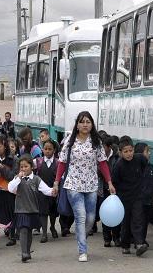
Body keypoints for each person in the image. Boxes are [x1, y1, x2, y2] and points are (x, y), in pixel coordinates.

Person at [53, 111, 115, 262]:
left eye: (88, 122)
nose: (85, 124)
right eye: (82, 122)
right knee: (80, 216)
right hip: (73, 183)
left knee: (91, 218)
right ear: (77, 125)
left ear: (92, 124)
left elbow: (102, 163)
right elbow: (61, 162)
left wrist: (109, 182)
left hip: (92, 184)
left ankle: (82, 237)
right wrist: (56, 182)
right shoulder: (69, 141)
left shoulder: (96, 142)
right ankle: (83, 250)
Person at [8, 154, 55, 263]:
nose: (23, 169)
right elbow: (10, 188)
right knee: (23, 230)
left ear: (32, 167)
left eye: (26, 166)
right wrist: (18, 178)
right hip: (21, 210)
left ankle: (27, 251)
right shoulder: (17, 179)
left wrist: (53, 191)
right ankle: (24, 252)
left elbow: (46, 190)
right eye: (21, 167)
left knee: (29, 231)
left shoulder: (36, 179)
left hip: (33, 210)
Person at [112, 136, 148, 256]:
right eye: (125, 152)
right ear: (120, 152)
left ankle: (139, 244)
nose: (129, 154)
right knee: (126, 222)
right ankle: (125, 245)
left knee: (138, 219)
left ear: (134, 150)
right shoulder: (118, 165)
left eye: (131, 150)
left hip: (137, 196)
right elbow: (115, 181)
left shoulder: (140, 159)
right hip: (124, 198)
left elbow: (144, 168)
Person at [135, 142, 153, 243]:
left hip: (149, 200)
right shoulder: (135, 168)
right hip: (139, 200)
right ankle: (139, 240)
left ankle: (142, 238)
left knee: (146, 220)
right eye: (147, 151)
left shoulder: (151, 167)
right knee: (139, 220)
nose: (149, 153)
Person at [36, 141, 59, 243]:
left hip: (54, 191)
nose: (48, 151)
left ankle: (53, 227)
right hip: (42, 192)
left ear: (54, 150)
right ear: (42, 149)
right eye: (45, 149)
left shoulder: (58, 163)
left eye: (50, 149)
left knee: (53, 212)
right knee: (43, 213)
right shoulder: (38, 162)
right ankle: (44, 233)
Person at [101, 135, 121, 247]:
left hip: (115, 189)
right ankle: (107, 238)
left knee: (116, 213)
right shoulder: (99, 157)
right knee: (105, 214)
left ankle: (116, 237)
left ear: (108, 147)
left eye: (103, 147)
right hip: (104, 188)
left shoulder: (117, 157)